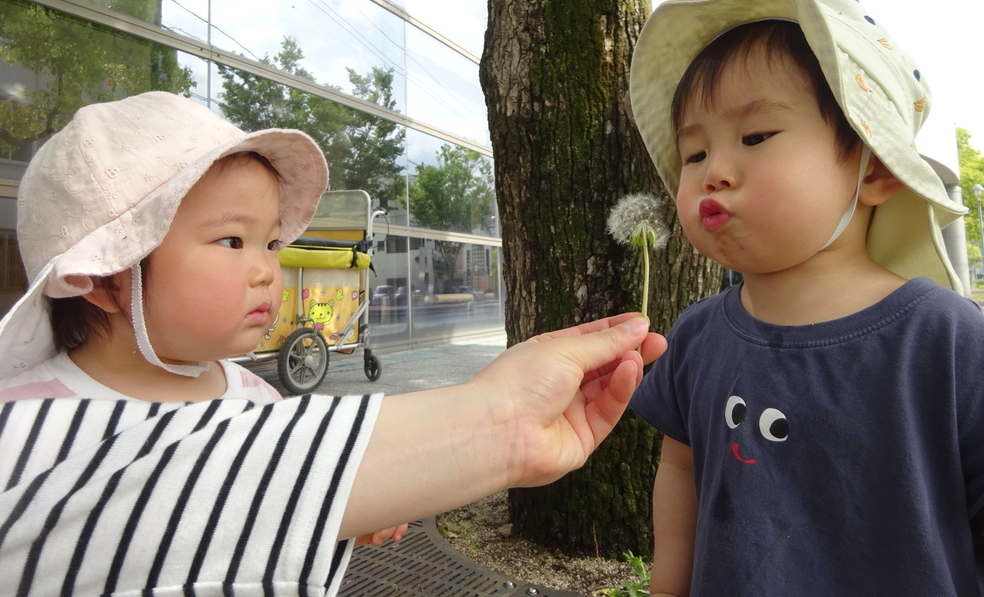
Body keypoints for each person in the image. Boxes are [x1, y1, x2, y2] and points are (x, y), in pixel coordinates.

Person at [0, 91, 666, 596]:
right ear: (105, 274)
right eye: (233, 241)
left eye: (270, 242)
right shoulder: (24, 426)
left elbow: (267, 504)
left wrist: (349, 505)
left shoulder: (258, 397)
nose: (268, 268)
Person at [627, 0, 984, 596]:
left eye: (756, 135)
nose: (714, 171)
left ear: (875, 169)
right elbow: (681, 478)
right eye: (695, 153)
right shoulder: (692, 340)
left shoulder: (944, 339)